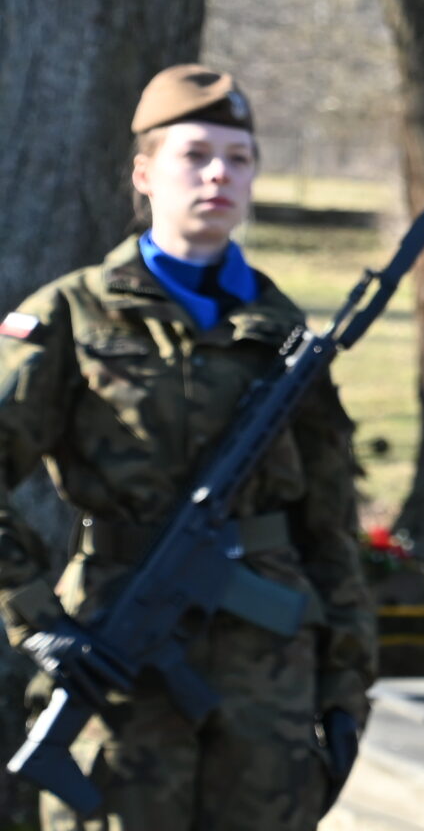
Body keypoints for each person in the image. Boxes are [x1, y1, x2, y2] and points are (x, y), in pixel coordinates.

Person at [0, 65, 376, 830]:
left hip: (268, 679)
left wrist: (346, 684)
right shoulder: (75, 314)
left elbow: (330, 524)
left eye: (239, 158)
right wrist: (35, 618)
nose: (218, 175)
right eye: (195, 154)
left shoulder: (284, 332)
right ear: (143, 173)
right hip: (117, 655)